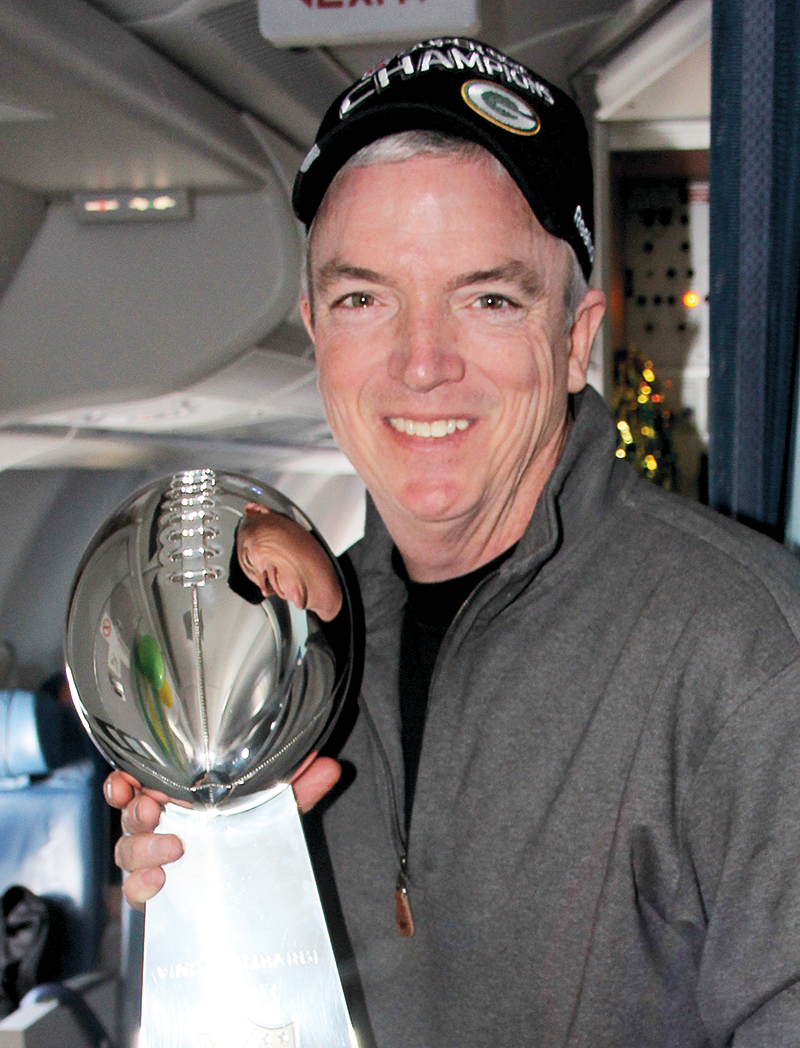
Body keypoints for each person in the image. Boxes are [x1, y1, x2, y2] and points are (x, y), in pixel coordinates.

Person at [106, 37, 800, 1047]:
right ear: (315, 332)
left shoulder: (751, 655)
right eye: (364, 298)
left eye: (487, 298)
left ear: (574, 337)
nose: (421, 362)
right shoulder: (271, 659)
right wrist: (200, 898)